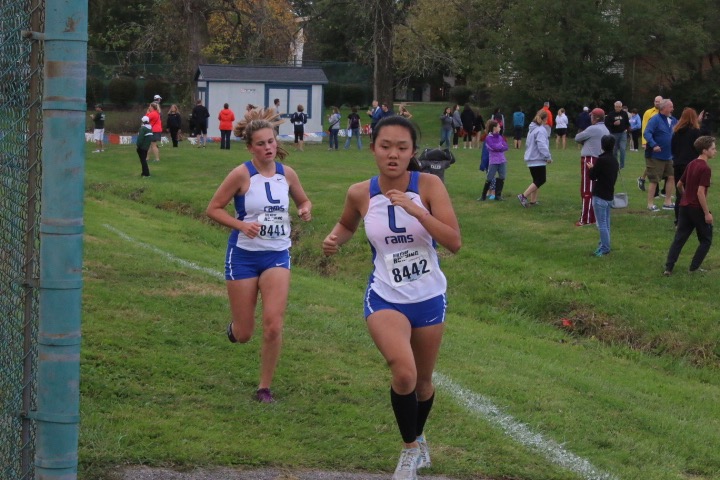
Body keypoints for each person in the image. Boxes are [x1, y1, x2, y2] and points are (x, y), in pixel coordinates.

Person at [322, 115, 461, 480]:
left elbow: (454, 242)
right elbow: (347, 224)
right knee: (404, 373)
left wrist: (417, 210)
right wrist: (334, 239)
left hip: (429, 295)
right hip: (385, 295)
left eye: (402, 148)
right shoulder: (359, 192)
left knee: (424, 382)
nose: (393, 155)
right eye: (385, 147)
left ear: (412, 151)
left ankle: (418, 436)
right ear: (373, 150)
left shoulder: (429, 186)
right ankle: (409, 450)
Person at [207, 109, 312, 403]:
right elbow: (213, 208)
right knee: (244, 334)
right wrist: (242, 224)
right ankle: (235, 329)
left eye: (271, 142)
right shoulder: (241, 174)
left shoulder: (286, 174)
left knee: (274, 324)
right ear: (250, 147)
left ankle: (263, 388)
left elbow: (303, 200)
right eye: (262, 144)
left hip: (277, 254)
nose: (268, 148)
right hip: (243, 255)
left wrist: (304, 209)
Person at [664, 136, 715, 275]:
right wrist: (707, 213)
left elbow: (679, 184)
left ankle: (668, 268)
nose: (715, 151)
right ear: (705, 151)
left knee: (679, 238)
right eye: (713, 149)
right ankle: (694, 268)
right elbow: (700, 193)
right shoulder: (705, 168)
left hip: (684, 207)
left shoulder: (691, 163)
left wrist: (686, 196)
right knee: (706, 239)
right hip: (696, 208)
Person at [574, 108, 610, 226]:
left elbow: (577, 138)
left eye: (591, 116)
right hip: (601, 159)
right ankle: (595, 216)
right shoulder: (605, 129)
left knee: (587, 189)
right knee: (596, 189)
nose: (590, 118)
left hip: (590, 159)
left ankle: (587, 219)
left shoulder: (592, 128)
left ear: (596, 117)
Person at [587, 135, 619, 257]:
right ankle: (603, 244)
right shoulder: (614, 161)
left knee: (602, 224)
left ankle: (605, 248)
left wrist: (591, 169)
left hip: (600, 194)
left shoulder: (601, 160)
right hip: (609, 195)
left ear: (602, 146)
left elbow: (593, 176)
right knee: (606, 222)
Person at [644, 99, 678, 211]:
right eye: (671, 107)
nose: (673, 109)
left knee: (671, 177)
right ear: (664, 108)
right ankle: (650, 204)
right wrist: (654, 145)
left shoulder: (673, 120)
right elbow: (647, 133)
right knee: (654, 180)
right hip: (655, 156)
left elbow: (682, 127)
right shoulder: (655, 119)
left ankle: (667, 202)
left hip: (669, 155)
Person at [671, 108, 703, 224]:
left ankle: (678, 219)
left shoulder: (676, 131)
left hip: (678, 164)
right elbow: (698, 149)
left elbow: (673, 148)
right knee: (692, 193)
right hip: (691, 165)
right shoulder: (695, 132)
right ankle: (690, 219)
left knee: (679, 192)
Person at [518, 110, 552, 207]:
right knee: (541, 180)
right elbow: (542, 145)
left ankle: (533, 200)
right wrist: (548, 156)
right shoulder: (541, 130)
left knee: (536, 180)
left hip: (531, 158)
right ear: (545, 119)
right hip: (537, 159)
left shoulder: (532, 129)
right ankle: (523, 196)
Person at [638, 95, 663, 191]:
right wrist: (645, 142)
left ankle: (643, 178)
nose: (657, 103)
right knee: (653, 163)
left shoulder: (664, 112)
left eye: (659, 101)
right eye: (655, 101)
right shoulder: (649, 112)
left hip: (661, 141)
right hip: (651, 141)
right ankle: (644, 179)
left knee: (658, 163)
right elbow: (644, 126)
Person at [480, 120, 508, 201]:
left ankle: (498, 195)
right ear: (494, 128)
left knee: (502, 177)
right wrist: (500, 146)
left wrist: (499, 147)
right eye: (499, 126)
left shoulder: (500, 137)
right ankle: (483, 195)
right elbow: (493, 147)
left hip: (502, 160)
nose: (500, 127)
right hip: (494, 161)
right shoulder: (488, 138)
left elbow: (506, 147)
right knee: (489, 177)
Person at [604, 101, 630, 169]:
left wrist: (626, 129)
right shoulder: (611, 114)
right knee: (614, 150)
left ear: (621, 107)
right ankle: (615, 164)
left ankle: (622, 165)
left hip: (623, 133)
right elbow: (607, 124)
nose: (618, 108)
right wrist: (613, 124)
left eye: (619, 107)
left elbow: (627, 123)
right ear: (614, 107)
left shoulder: (624, 114)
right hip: (614, 134)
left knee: (622, 149)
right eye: (617, 107)